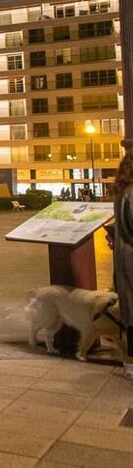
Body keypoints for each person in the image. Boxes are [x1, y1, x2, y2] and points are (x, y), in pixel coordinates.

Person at [111, 153, 133, 379]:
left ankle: (130, 363)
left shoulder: (121, 193)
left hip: (124, 260)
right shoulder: (132, 193)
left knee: (131, 315)